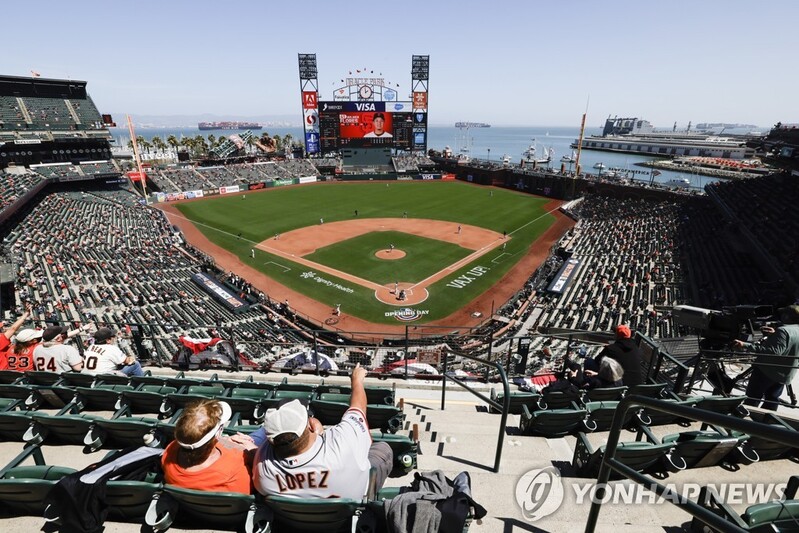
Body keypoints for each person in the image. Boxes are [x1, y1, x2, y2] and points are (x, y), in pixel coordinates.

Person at [252, 364, 393, 499]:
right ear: (309, 425)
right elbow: (358, 408)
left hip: (295, 519)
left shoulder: (262, 469)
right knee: (382, 449)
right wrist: (357, 381)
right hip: (349, 514)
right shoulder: (342, 443)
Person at [161, 400, 256, 494]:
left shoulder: (170, 450)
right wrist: (254, 449)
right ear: (218, 433)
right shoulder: (236, 464)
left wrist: (225, 441)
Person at [733, 305, 799, 411]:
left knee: (752, 399)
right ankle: (766, 423)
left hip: (766, 372)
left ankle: (743, 422)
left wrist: (744, 345)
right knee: (772, 400)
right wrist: (775, 335)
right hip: (784, 375)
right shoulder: (791, 331)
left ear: (788, 316)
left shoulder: (783, 331)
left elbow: (772, 352)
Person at [0, 306, 32, 370]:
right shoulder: (1, 340)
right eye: (1, 328)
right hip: (4, 374)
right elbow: (13, 329)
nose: (3, 329)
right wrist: (25, 314)